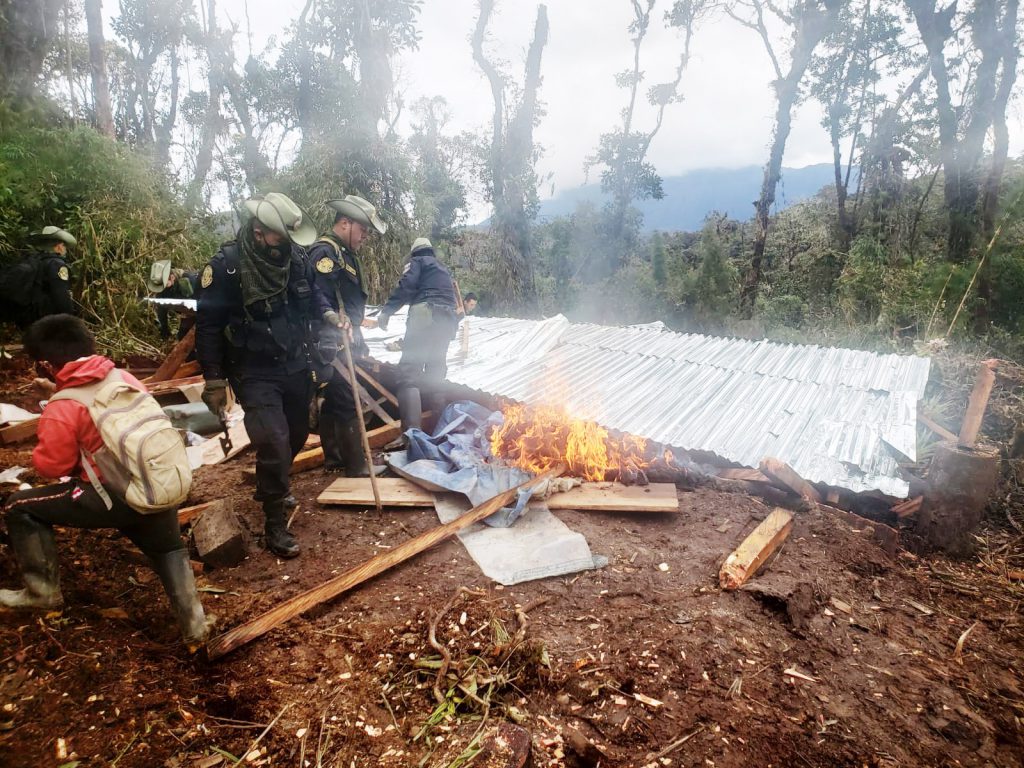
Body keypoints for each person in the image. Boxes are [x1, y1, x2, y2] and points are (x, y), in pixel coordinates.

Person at [0, 314, 210, 648]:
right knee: (168, 547)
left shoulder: (63, 405)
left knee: (20, 506)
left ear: (45, 363)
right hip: (156, 485)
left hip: (113, 496)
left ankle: (41, 592)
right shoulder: (123, 378)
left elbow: (51, 466)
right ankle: (196, 625)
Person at [196, 193, 335, 558]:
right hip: (252, 368)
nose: (286, 245)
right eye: (279, 238)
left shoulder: (296, 258)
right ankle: (274, 520)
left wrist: (329, 317)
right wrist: (213, 378)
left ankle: (273, 480)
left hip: (293, 361)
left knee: (298, 433)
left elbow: (314, 296)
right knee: (272, 440)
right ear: (259, 232)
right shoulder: (228, 266)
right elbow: (208, 326)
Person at [308, 195, 387, 476]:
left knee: (335, 397)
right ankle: (357, 466)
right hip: (332, 338)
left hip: (345, 336)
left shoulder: (344, 254)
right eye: (363, 230)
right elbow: (319, 296)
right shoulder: (325, 253)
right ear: (345, 223)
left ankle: (335, 457)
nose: (364, 237)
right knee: (347, 397)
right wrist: (333, 322)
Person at [376, 238, 459, 433]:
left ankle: (411, 436)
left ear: (414, 253)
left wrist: (387, 311)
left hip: (426, 315)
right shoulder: (442, 268)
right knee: (435, 372)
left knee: (408, 373)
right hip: (447, 320)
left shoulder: (417, 262)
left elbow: (407, 286)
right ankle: (439, 432)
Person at [0, 226, 77, 328]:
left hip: (28, 319)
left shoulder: (32, 260)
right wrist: (71, 321)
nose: (64, 250)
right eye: (64, 246)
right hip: (46, 321)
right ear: (59, 246)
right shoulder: (56, 263)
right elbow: (60, 295)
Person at [147, 260, 200, 340]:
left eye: (165, 284)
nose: (162, 288)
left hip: (199, 312)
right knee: (181, 337)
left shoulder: (190, 280)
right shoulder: (162, 289)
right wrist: (165, 330)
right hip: (185, 313)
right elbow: (161, 310)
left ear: (172, 277)